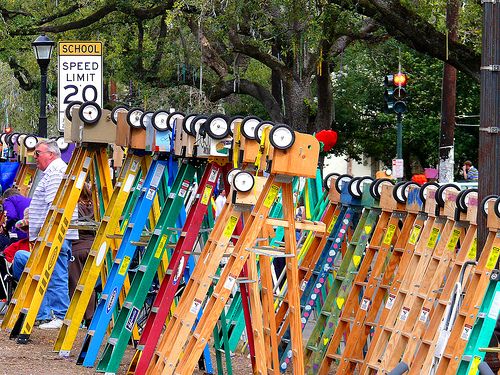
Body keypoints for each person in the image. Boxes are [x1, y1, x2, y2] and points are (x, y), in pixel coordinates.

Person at [20, 139, 79, 329]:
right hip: (52, 233)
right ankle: (53, 313)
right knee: (53, 273)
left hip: (55, 234)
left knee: (56, 273)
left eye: (38, 153)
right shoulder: (55, 171)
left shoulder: (55, 173)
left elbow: (55, 206)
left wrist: (47, 233)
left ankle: (60, 314)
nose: (34, 157)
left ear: (51, 154)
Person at [68, 182, 96, 325]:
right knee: (89, 284)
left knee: (75, 283)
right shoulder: (95, 206)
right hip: (93, 247)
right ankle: (91, 315)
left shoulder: (74, 207)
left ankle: (77, 317)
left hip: (76, 248)